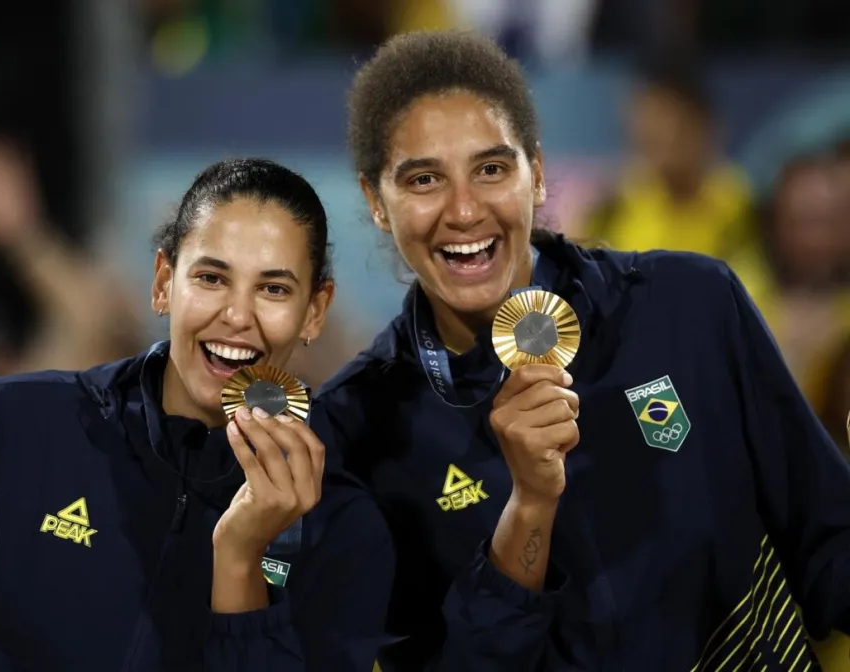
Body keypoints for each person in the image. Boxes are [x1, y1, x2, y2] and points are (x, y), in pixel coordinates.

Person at [312, 30, 850, 670]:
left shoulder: (691, 305)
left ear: (536, 174)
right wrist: (529, 509)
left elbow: (829, 555)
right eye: (424, 179)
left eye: (491, 169)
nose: (463, 210)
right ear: (377, 201)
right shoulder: (356, 432)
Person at [0, 158, 395, 671]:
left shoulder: (343, 529)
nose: (236, 315)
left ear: (315, 311)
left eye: (273, 289)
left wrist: (240, 558)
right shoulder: (20, 422)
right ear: (164, 282)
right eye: (211, 278)